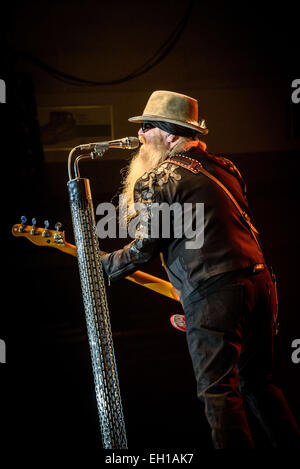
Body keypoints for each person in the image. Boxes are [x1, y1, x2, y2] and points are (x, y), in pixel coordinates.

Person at [101, 90, 300, 448]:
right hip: (259, 284)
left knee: (218, 392)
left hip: (216, 293)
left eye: (148, 127)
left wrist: (101, 266)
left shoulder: (159, 177)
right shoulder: (227, 168)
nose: (141, 135)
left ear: (172, 135)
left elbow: (146, 246)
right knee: (259, 384)